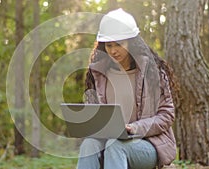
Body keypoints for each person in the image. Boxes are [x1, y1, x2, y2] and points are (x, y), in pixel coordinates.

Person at [76, 8, 177, 169]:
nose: (113, 50)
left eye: (119, 44)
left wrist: (134, 128)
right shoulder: (99, 75)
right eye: (109, 45)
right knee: (89, 144)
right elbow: (95, 116)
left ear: (132, 42)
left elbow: (166, 115)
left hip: (148, 145)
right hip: (109, 142)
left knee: (115, 145)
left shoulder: (152, 72)